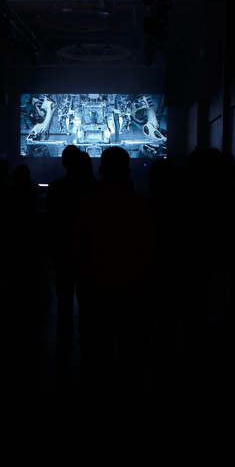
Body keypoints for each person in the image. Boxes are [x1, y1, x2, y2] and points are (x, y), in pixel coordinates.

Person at [71, 146, 156, 406]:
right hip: (131, 288)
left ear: (100, 170)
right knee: (130, 349)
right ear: (128, 171)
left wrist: (86, 277)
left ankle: (94, 400)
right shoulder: (141, 206)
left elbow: (77, 249)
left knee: (94, 349)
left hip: (94, 287)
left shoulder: (85, 204)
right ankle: (126, 399)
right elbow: (149, 252)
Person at [47, 146, 98, 356]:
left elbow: (52, 222)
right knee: (87, 299)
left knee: (64, 299)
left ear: (63, 162)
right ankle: (87, 337)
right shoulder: (93, 188)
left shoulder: (55, 188)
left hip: (63, 249)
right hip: (87, 250)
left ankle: (63, 339)